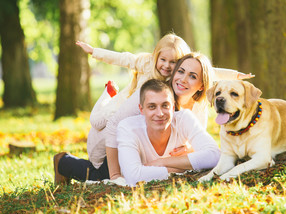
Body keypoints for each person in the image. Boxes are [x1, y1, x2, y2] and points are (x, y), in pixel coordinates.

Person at [54, 52, 254, 184]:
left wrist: (162, 163)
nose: (184, 79)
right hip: (118, 146)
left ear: (202, 84)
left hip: (155, 154)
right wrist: (116, 174)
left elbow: (209, 152)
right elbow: (116, 126)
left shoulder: (193, 111)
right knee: (101, 176)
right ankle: (64, 162)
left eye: (193, 77)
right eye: (181, 72)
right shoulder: (153, 91)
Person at [117, 79, 220, 186]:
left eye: (165, 105)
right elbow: (133, 177)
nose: (160, 113)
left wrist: (162, 162)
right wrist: (181, 170)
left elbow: (214, 155)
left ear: (173, 107)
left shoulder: (184, 118)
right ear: (141, 109)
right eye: (152, 107)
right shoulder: (127, 127)